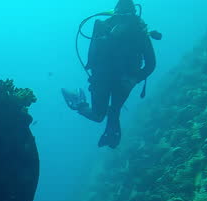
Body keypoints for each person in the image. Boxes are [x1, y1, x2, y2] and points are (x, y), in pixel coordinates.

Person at [62, 0, 156, 148]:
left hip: (126, 79)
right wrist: (110, 38)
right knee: (98, 116)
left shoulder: (140, 32)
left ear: (134, 15)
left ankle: (111, 139)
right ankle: (79, 102)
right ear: (116, 15)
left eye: (128, 16)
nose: (125, 20)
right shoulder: (104, 28)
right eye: (122, 16)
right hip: (103, 78)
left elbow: (151, 64)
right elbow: (93, 58)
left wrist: (135, 79)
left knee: (114, 111)